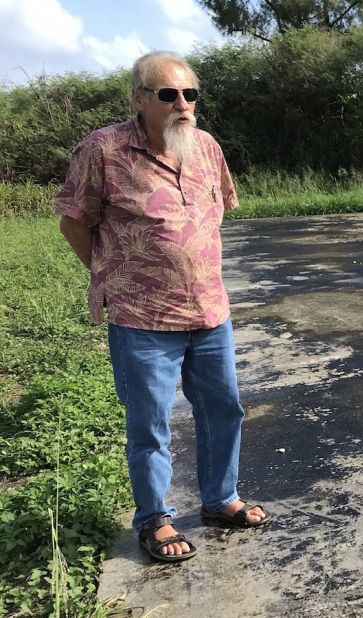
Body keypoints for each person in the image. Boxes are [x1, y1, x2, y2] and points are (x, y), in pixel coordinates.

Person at [55, 51, 271, 563]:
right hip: (141, 318)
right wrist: (116, 275)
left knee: (223, 410)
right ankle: (155, 518)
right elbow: (73, 221)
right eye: (168, 94)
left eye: (190, 95)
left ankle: (221, 499)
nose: (182, 104)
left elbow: (218, 211)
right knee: (150, 423)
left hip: (209, 311)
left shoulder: (207, 147)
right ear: (138, 98)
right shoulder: (103, 150)